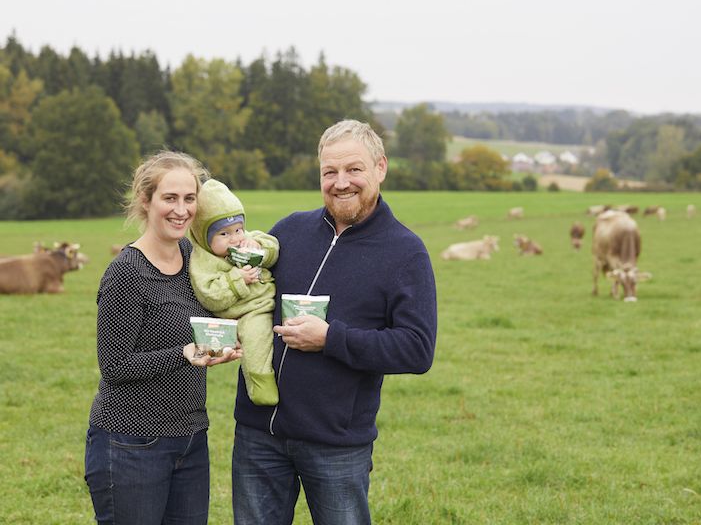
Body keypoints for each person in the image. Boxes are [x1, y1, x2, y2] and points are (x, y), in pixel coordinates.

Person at [231, 119, 437, 524]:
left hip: (337, 444)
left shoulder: (405, 252)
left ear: (380, 168)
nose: (341, 182)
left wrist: (331, 339)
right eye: (330, 172)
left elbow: (417, 348)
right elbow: (250, 294)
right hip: (259, 433)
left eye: (353, 169)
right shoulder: (289, 231)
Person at [84, 151, 242, 525]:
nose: (181, 210)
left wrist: (223, 341)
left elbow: (214, 310)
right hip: (131, 443)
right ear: (145, 201)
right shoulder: (127, 273)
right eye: (169, 198)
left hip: (191, 438)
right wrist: (183, 354)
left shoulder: (193, 258)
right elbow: (115, 366)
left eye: (189, 199)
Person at [188, 178, 280, 406]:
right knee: (255, 342)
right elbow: (209, 295)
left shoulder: (247, 240)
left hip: (271, 301)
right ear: (204, 237)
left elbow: (274, 247)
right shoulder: (203, 262)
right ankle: (261, 384)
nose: (235, 238)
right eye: (224, 234)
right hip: (248, 313)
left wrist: (258, 247)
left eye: (238, 229)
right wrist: (238, 279)